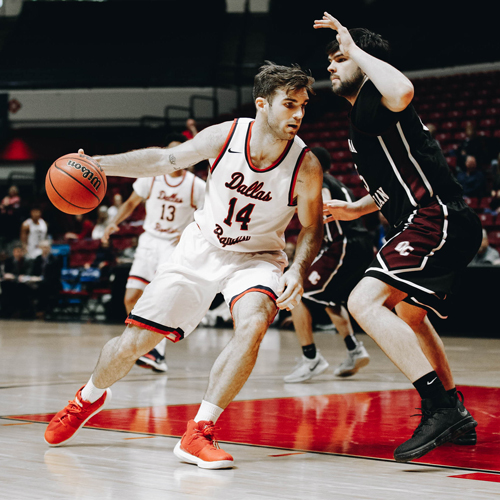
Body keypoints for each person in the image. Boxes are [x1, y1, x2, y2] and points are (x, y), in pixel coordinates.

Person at [44, 62, 324, 470]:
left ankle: (199, 431)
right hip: (199, 248)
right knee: (131, 346)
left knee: (254, 322)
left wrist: (296, 269)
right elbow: (164, 159)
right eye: (290, 104)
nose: (298, 114)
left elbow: (312, 227)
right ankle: (87, 397)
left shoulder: (307, 165)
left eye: (303, 105)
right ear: (263, 105)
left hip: (258, 258)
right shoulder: (226, 136)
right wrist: (103, 163)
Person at [316, 13, 482, 463]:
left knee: (362, 302)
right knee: (410, 315)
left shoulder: (378, 95)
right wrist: (356, 208)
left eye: (338, 58)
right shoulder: (363, 115)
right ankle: (456, 410)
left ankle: (439, 407)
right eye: (331, 59)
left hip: (436, 218)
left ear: (363, 61)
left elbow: (404, 89)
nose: (331, 66)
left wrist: (355, 49)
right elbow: (393, 186)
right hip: (432, 219)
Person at [101, 133, 206, 373]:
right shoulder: (152, 177)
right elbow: (130, 203)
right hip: (148, 242)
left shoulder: (196, 186)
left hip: (172, 245)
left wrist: (191, 232)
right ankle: (148, 349)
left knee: (159, 301)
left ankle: (157, 352)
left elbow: (209, 215)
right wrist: (113, 223)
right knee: (130, 297)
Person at [284, 146, 373, 383]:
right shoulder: (338, 182)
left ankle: (310, 358)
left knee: (296, 293)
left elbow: (323, 201)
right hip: (359, 244)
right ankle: (354, 350)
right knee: (330, 299)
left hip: (343, 244)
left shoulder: (320, 181)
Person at [31, 239, 63, 319]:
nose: (45, 249)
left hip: (52, 283)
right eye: (44, 247)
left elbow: (56, 275)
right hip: (38, 282)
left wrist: (44, 279)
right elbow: (33, 273)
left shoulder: (55, 259)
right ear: (41, 248)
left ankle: (42, 310)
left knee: (43, 287)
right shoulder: (38, 259)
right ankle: (25, 311)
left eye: (47, 247)